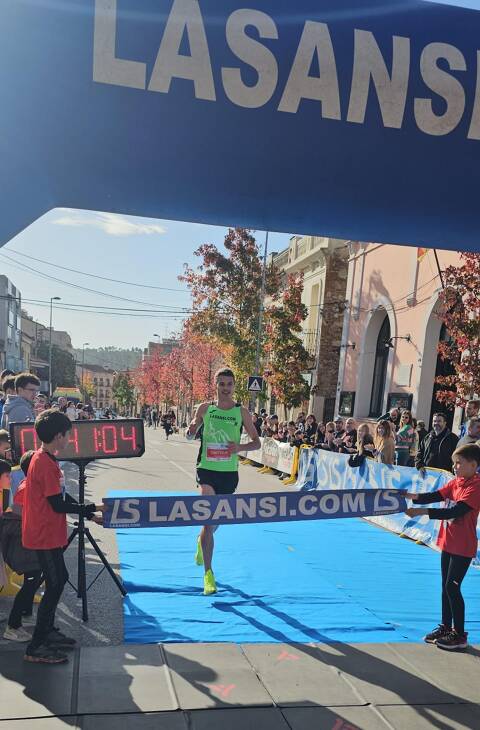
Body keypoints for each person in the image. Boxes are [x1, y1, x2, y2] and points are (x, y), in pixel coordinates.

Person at [21, 409, 102, 664]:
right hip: (43, 533)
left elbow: (60, 497)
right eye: (68, 435)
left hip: (48, 532)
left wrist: (88, 513)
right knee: (56, 583)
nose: (69, 439)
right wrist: (88, 509)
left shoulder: (45, 458)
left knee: (59, 579)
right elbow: (57, 504)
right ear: (58, 436)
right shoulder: (44, 463)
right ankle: (36, 646)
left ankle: (47, 632)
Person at [186, 368, 260, 596]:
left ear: (234, 386)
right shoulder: (205, 408)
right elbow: (190, 433)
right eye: (222, 384)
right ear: (215, 385)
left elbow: (257, 443)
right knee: (209, 520)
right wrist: (190, 430)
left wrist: (239, 448)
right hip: (206, 469)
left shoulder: (242, 412)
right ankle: (208, 575)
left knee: (214, 524)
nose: (225, 388)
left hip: (229, 473)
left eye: (229, 384)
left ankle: (201, 542)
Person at [405, 444, 480, 651]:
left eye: (459, 463)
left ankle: (459, 634)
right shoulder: (456, 482)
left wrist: (420, 512)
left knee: (452, 588)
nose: (455, 466)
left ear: (473, 465)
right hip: (448, 542)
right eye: (454, 463)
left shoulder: (475, 486)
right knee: (445, 588)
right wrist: (412, 496)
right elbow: (436, 495)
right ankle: (446, 627)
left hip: (463, 547)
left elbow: (454, 512)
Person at [0, 451, 43, 642]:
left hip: (25, 545)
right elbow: (17, 521)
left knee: (32, 581)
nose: (10, 479)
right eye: (7, 475)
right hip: (22, 546)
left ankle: (18, 619)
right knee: (30, 582)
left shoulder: (11, 492)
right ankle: (13, 626)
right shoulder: (25, 489)